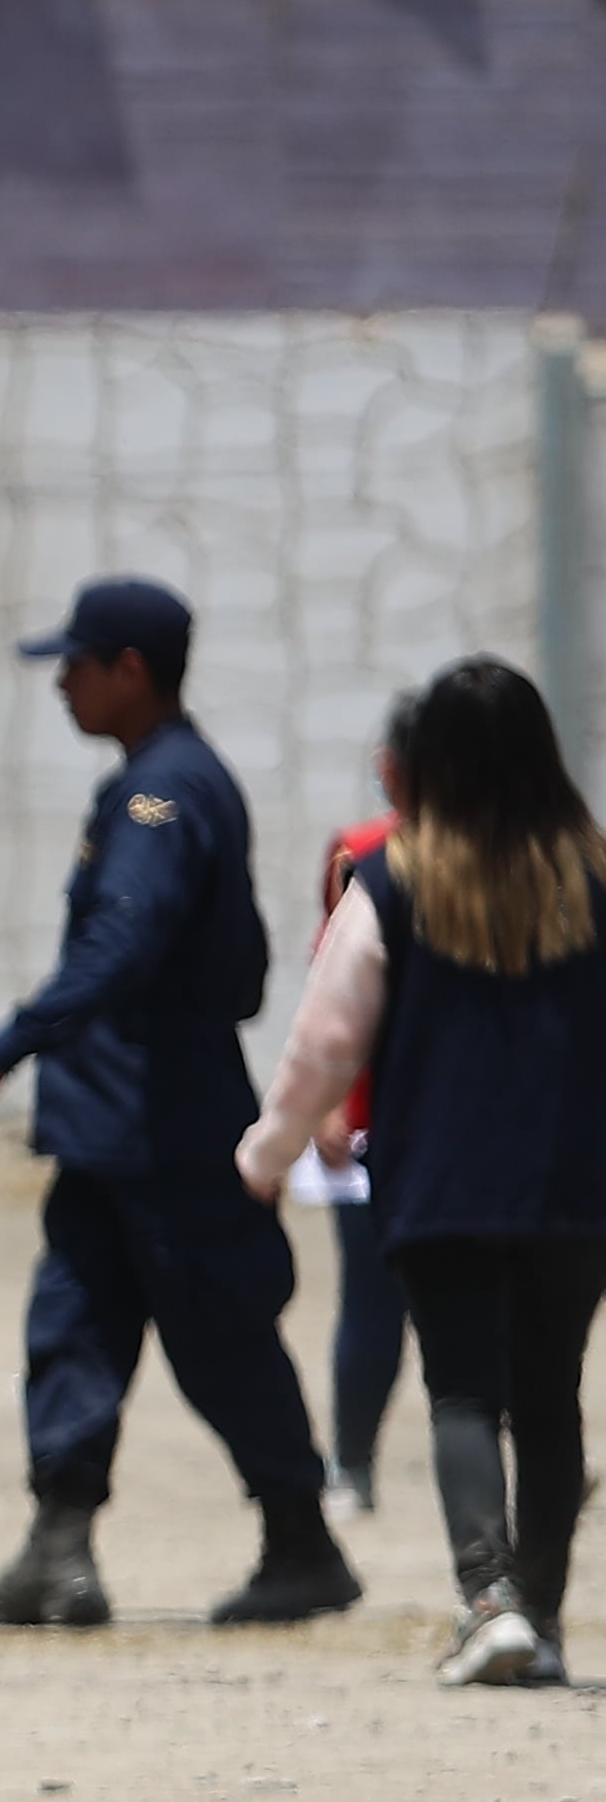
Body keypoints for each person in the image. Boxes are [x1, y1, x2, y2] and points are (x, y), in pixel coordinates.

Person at [0, 577, 349, 1630]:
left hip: (161, 1126)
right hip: (112, 1127)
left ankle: (300, 1541)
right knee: (73, 1326)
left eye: (76, 663)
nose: (61, 683)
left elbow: (124, 942)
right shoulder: (176, 782)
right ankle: (59, 1551)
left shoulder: (162, 795)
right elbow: (241, 965)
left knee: (218, 1331)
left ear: (129, 671)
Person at [240, 658, 606, 1690]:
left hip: (440, 1179)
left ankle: (483, 1601)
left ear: (426, 762)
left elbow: (325, 1043)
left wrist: (265, 1151)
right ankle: (538, 1613)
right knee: (548, 1400)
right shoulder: (593, 874)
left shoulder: (394, 881)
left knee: (460, 1393)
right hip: (573, 1187)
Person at [311, 722, 413, 1513]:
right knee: (371, 1297)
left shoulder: (514, 858)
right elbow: (336, 993)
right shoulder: (358, 853)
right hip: (378, 1116)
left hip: (468, 1122)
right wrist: (332, 1104)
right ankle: (352, 1464)